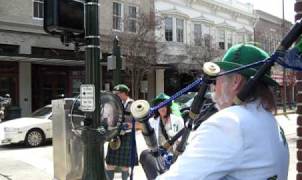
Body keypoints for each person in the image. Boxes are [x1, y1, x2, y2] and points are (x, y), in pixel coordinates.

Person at [157, 44, 289, 180]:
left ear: (235, 82)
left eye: (217, 78)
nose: (213, 86)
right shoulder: (271, 122)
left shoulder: (229, 122)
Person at [105, 84, 138, 180]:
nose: (115, 95)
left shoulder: (133, 105)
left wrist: (130, 125)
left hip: (127, 136)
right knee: (110, 164)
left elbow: (140, 123)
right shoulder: (114, 104)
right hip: (115, 136)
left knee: (125, 166)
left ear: (124, 93)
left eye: (117, 93)